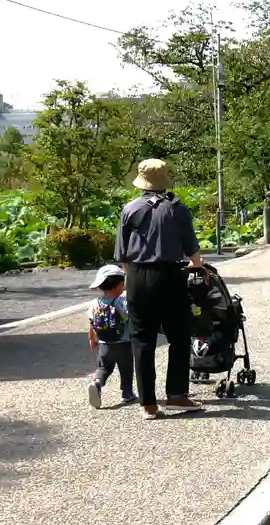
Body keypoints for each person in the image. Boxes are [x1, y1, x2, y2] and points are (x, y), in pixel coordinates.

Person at [115, 158, 204, 417]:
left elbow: (122, 254)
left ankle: (148, 405)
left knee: (143, 341)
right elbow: (192, 251)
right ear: (165, 181)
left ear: (141, 182)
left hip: (138, 277)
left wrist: (135, 278)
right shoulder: (177, 209)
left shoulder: (129, 209)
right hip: (170, 275)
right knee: (179, 336)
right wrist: (197, 266)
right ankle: (176, 395)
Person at [86, 263, 136, 409]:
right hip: (124, 342)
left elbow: (91, 323)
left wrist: (92, 339)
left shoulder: (95, 303)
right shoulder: (122, 302)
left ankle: (97, 382)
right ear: (120, 284)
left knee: (104, 367)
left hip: (104, 343)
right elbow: (131, 318)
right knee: (126, 369)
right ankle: (127, 393)